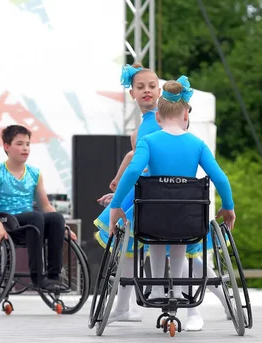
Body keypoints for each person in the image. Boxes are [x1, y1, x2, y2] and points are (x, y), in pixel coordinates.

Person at [108, 75, 236, 329]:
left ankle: (156, 290)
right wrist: (228, 206)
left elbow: (133, 172)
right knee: (180, 239)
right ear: (186, 116)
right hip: (187, 216)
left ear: (158, 116)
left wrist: (116, 206)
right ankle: (176, 291)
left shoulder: (148, 141)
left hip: (153, 214)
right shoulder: (197, 144)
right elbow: (220, 177)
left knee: (155, 233)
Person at [93, 62, 161, 323]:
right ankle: (122, 306)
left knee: (177, 249)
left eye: (152, 86)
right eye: (140, 87)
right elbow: (137, 160)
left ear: (159, 91)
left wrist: (121, 187)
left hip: (163, 191)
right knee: (128, 248)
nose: (146, 91)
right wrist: (120, 185)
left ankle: (215, 301)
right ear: (131, 92)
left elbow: (145, 161)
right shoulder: (143, 126)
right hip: (147, 189)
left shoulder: (163, 118)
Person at [0, 125, 76, 291]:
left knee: (56, 218)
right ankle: (37, 277)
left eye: (28, 144)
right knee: (35, 217)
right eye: (19, 144)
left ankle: (53, 276)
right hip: (5, 220)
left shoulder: (34, 174)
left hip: (29, 223)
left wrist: (64, 228)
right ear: (6, 146)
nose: (25, 148)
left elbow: (45, 205)